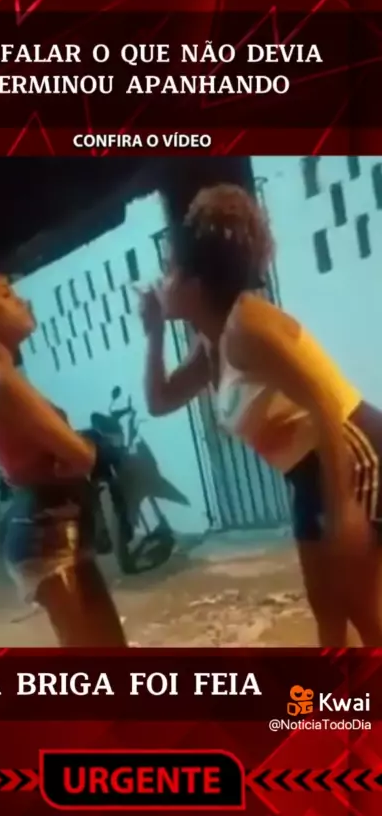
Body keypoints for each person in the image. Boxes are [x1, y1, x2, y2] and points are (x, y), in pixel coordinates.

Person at [139, 183, 382, 648]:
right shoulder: (211, 342)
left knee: (362, 613)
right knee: (327, 611)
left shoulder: (248, 325)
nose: (161, 280)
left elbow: (325, 404)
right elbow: (160, 400)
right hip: (307, 475)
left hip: (354, 454)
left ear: (195, 285)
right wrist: (153, 333)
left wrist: (344, 510)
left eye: (169, 269)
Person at [0, 270, 127, 647]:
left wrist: (73, 455)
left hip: (54, 527)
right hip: (46, 535)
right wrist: (87, 450)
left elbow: (70, 457)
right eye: (7, 295)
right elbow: (82, 456)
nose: (22, 301)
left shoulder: (2, 378)